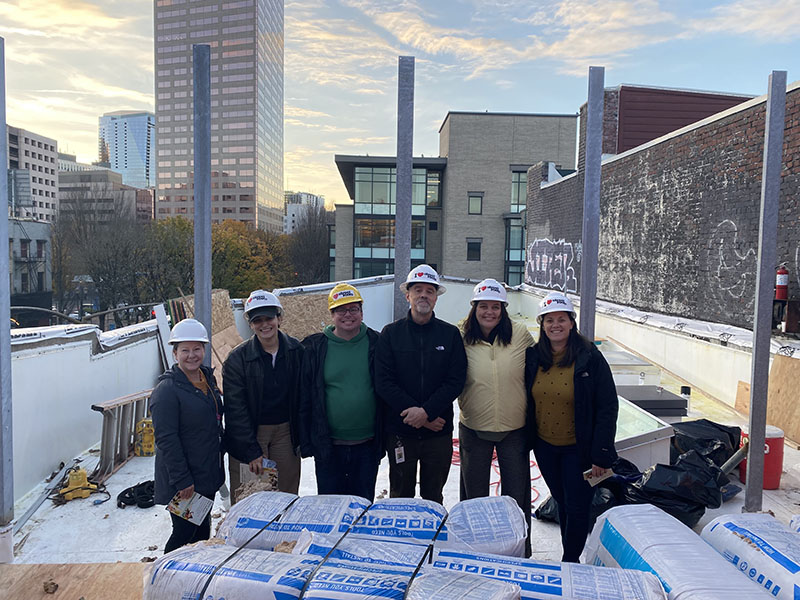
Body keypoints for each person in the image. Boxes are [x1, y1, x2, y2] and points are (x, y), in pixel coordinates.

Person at [525, 291, 618, 563]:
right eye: (549, 320)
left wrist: (601, 454)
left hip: (579, 449)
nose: (556, 325)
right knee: (561, 500)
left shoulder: (590, 357)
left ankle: (571, 560)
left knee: (577, 506)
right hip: (545, 446)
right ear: (542, 324)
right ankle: (570, 551)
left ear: (571, 323)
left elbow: (607, 406)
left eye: (561, 319)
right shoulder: (534, 357)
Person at [375, 264, 467, 504]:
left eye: (429, 291)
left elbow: (455, 380)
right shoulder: (391, 334)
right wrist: (419, 417)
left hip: (438, 433)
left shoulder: (449, 335)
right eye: (418, 290)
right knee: (399, 496)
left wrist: (426, 412)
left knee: (433, 496)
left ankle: (432, 542)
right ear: (408, 296)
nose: (423, 295)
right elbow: (384, 381)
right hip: (400, 432)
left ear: (436, 298)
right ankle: (402, 543)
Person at [458, 278, 534, 547]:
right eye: (483, 306)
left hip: (514, 428)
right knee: (473, 496)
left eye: (495, 307)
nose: (489, 312)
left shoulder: (521, 334)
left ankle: (521, 549)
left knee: (516, 496)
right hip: (474, 426)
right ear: (473, 308)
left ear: (503, 309)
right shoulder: (460, 336)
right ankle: (472, 548)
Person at [299, 283, 383, 501]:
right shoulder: (314, 347)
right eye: (341, 310)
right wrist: (307, 440)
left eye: (353, 309)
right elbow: (306, 396)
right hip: (329, 446)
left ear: (362, 312)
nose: (348, 315)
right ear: (332, 314)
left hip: (367, 445)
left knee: (362, 506)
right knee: (330, 506)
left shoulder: (377, 343)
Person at [151, 318, 224, 553]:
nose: (191, 355)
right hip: (186, 481)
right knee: (184, 534)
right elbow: (166, 440)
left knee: (201, 532)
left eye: (197, 349)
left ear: (204, 350)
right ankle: (163, 578)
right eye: (185, 350)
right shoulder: (167, 391)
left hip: (206, 474)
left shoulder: (207, 379)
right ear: (175, 353)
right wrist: (183, 480)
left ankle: (192, 581)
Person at [223, 290, 304, 498]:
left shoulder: (297, 351)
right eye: (257, 320)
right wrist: (251, 450)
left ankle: (282, 530)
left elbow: (305, 397)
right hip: (251, 432)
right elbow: (235, 409)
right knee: (250, 496)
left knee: (285, 493)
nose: (264, 324)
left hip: (286, 433)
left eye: (269, 318)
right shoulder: (237, 360)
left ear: (279, 318)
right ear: (250, 324)